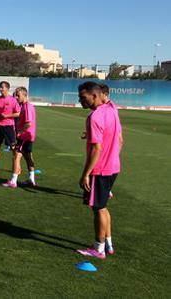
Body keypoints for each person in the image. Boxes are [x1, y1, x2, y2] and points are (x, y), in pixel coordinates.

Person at [75, 81, 122, 259]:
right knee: (103, 206)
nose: (80, 101)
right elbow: (115, 136)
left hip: (100, 169)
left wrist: (85, 174)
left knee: (98, 208)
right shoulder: (112, 109)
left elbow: (96, 149)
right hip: (113, 166)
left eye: (83, 97)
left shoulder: (94, 117)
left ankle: (98, 248)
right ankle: (108, 243)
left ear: (94, 96)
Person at [3, 87, 37, 188]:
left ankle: (13, 181)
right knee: (28, 157)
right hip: (28, 136)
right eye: (15, 95)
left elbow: (28, 123)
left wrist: (19, 132)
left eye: (18, 95)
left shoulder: (27, 106)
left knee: (16, 156)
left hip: (24, 136)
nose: (16, 97)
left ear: (24, 95)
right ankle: (32, 179)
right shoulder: (25, 106)